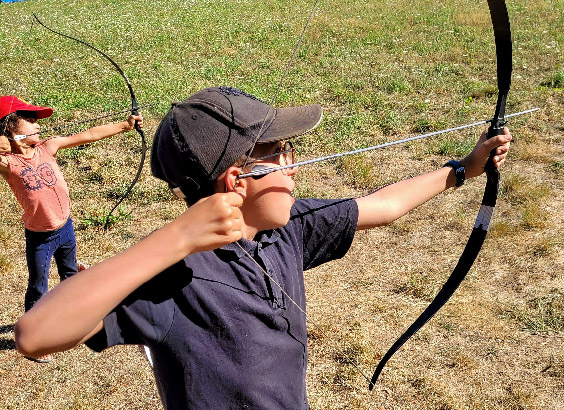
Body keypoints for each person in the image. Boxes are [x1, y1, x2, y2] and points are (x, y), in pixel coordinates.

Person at [14, 86, 511, 408]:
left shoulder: (286, 227)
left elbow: (380, 206)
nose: (292, 166)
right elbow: (36, 335)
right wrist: (174, 238)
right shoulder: (177, 276)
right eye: (280, 154)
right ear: (239, 177)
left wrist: (462, 170)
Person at [0, 95, 143, 362]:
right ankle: (35, 338)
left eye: (36, 121)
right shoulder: (8, 163)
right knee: (38, 285)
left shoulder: (48, 146)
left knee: (70, 276)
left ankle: (74, 322)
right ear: (9, 127)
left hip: (65, 227)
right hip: (40, 237)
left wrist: (125, 125)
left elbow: (88, 134)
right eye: (29, 121)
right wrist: (5, 143)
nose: (37, 125)